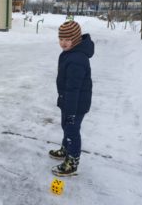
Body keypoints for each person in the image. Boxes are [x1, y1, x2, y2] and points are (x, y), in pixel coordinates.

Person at [49, 21, 94, 176]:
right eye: (61, 39)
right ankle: (66, 148)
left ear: (75, 39)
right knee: (66, 127)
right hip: (68, 100)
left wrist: (71, 111)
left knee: (72, 131)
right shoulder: (70, 53)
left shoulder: (77, 59)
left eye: (67, 39)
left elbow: (74, 89)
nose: (63, 43)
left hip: (75, 104)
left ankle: (72, 161)